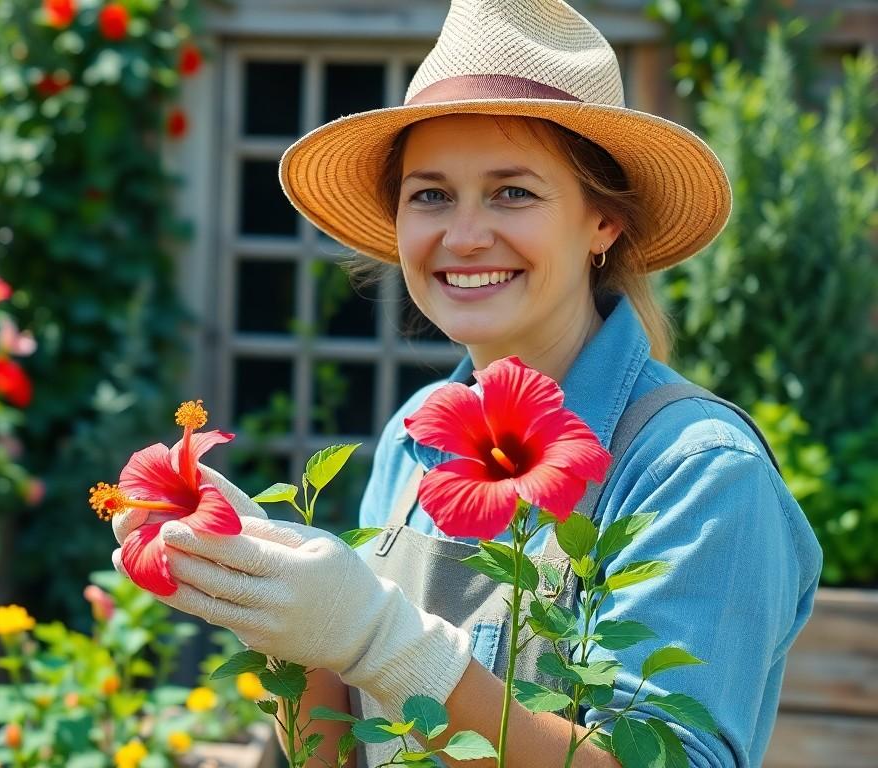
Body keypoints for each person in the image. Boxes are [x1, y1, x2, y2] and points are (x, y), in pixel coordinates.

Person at [111, 0, 822, 765]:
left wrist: (382, 639)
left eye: (512, 191)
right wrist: (274, 616)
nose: (464, 234)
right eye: (430, 195)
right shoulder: (416, 435)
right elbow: (341, 757)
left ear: (603, 223)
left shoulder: (693, 469)